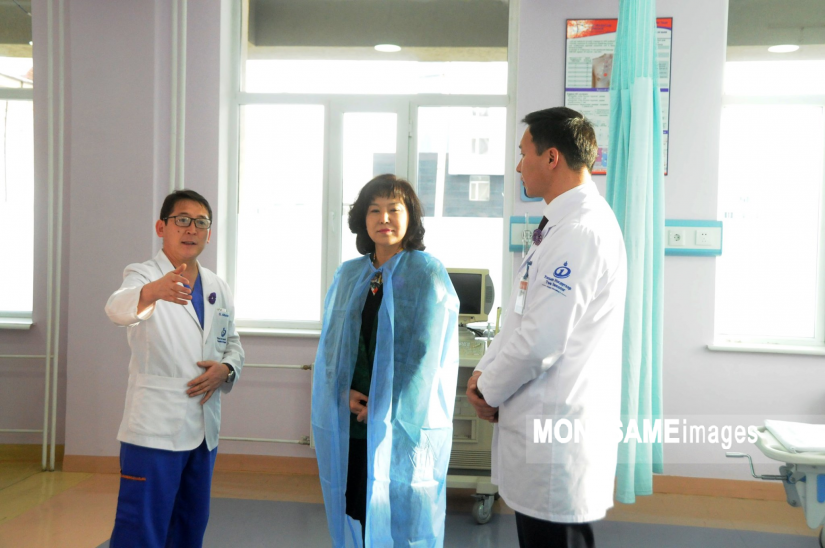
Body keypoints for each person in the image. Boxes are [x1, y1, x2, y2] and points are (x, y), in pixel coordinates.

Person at [466, 107, 627, 548]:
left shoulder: (581, 231)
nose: (519, 166)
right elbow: (521, 316)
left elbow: (541, 341)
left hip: (556, 436)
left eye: (524, 154)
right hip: (541, 431)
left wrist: (487, 390)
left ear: (551, 157)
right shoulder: (560, 225)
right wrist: (484, 372)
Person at [312, 174, 459, 548]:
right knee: (359, 507)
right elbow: (332, 347)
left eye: (394, 209)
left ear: (410, 217)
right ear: (363, 218)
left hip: (403, 422)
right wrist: (344, 393)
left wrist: (385, 405)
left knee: (400, 512)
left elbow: (425, 357)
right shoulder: (349, 274)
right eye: (374, 210)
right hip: (354, 419)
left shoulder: (426, 273)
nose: (384, 218)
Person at [105, 189, 244, 548]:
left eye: (201, 223)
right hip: (154, 430)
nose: (191, 229)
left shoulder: (217, 286)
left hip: (203, 429)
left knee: (190, 526)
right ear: (161, 227)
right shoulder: (143, 274)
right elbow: (117, 309)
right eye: (182, 220)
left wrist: (226, 369)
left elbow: (232, 342)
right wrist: (151, 292)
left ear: (209, 234)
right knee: (141, 530)